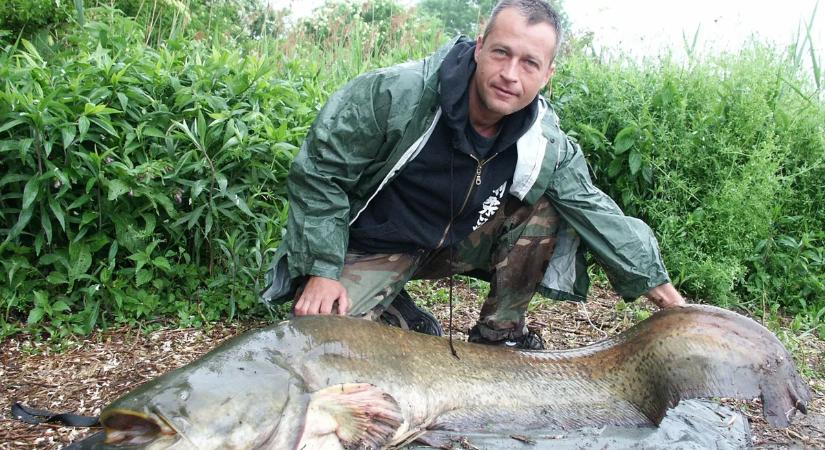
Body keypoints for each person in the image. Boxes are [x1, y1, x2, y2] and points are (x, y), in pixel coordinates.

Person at [261, 0, 685, 349]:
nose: (510, 75)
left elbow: (593, 207)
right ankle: (396, 310)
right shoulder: (396, 94)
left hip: (453, 243)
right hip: (375, 243)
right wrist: (323, 270)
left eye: (529, 63)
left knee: (546, 206)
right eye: (501, 53)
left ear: (548, 74)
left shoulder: (544, 142)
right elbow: (321, 174)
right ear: (480, 46)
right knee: (321, 342)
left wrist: (667, 297)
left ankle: (500, 335)